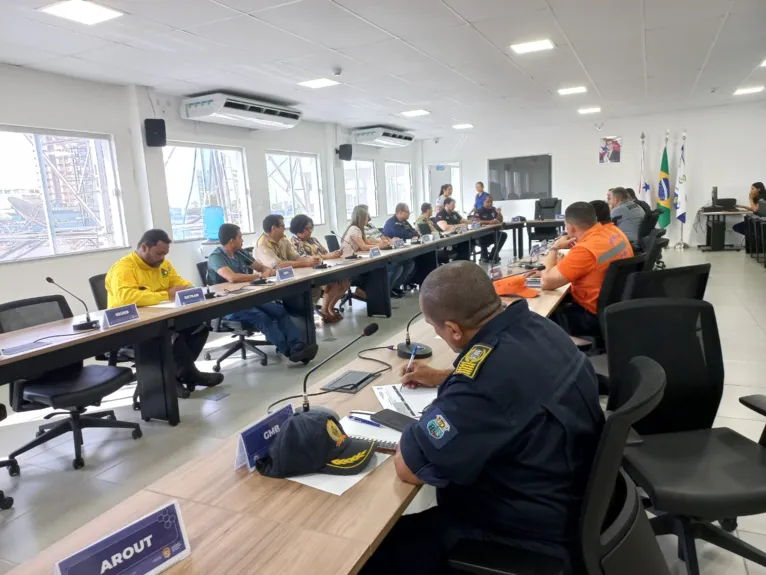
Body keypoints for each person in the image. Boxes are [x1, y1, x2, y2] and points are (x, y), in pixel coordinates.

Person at [359, 262, 603, 575]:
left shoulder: (483, 383)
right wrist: (446, 377)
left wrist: (432, 415)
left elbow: (411, 468)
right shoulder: (541, 327)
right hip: (564, 496)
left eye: (438, 330)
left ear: (454, 329)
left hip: (522, 536)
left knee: (371, 556)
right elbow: (514, 380)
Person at [105, 229, 223, 396]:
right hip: (129, 327)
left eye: (165, 254)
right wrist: (166, 294)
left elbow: (180, 283)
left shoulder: (163, 265)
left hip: (160, 318)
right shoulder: (124, 268)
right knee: (172, 337)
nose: (162, 258)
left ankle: (181, 372)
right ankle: (182, 376)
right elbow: (126, 297)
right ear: (144, 247)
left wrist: (189, 289)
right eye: (159, 253)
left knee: (199, 327)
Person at [208, 223, 318, 363]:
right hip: (228, 305)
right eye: (240, 237)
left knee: (279, 311)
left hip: (246, 297)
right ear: (231, 240)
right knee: (261, 317)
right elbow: (232, 277)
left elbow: (260, 267)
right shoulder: (216, 257)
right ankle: (291, 352)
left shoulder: (239, 253)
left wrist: (267, 271)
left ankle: (298, 345)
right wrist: (259, 276)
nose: (242, 240)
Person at [535, 202, 633, 337]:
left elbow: (546, 282)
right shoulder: (613, 231)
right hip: (616, 308)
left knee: (538, 317)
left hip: (590, 317)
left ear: (570, 227)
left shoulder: (585, 250)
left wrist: (554, 247)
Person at [289, 214, 351, 323]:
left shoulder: (313, 240)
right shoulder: (294, 242)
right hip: (310, 273)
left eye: (311, 228)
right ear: (298, 228)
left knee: (345, 282)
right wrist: (328, 256)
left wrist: (334, 254)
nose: (310, 231)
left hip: (325, 269)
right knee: (336, 283)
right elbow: (306, 259)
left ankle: (330, 308)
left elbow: (325, 253)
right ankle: (324, 310)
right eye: (307, 228)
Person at [343, 205, 414, 298]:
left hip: (362, 258)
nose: (368, 218)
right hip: (353, 262)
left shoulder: (360, 229)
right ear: (362, 218)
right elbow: (364, 247)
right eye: (366, 217)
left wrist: (382, 243)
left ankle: (388, 289)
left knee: (407, 263)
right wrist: (380, 245)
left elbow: (368, 242)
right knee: (396, 267)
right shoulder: (354, 229)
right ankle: (381, 292)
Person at [473, 195, 507, 263]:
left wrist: (499, 213)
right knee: (485, 237)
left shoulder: (493, 209)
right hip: (481, 235)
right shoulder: (479, 211)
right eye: (488, 202)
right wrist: (490, 222)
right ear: (483, 202)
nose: (490, 204)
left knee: (503, 235)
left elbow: (500, 220)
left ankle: (493, 255)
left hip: (491, 233)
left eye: (491, 202)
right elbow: (476, 222)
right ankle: (485, 257)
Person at [733, 182, 766, 251]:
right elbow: (756, 209)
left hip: (760, 221)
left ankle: (758, 238)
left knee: (738, 227)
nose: (751, 190)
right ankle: (757, 238)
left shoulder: (762, 197)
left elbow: (755, 209)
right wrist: (742, 207)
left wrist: (750, 199)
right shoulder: (758, 197)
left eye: (753, 188)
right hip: (758, 220)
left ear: (758, 189)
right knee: (738, 227)